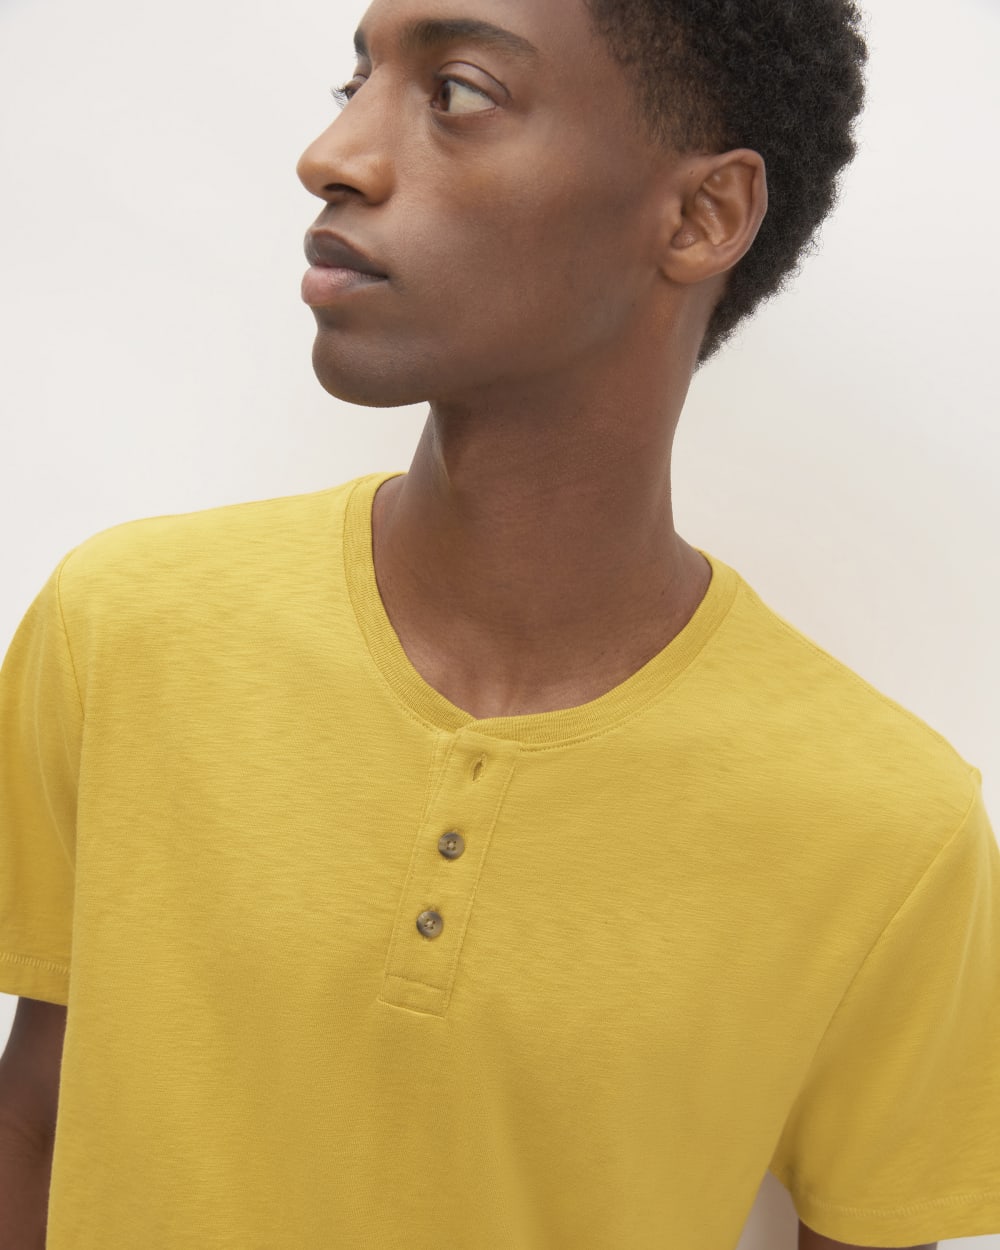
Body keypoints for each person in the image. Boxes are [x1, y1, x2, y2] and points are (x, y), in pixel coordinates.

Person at [0, 1, 997, 1248]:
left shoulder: (888, 832)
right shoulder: (123, 630)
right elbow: (33, 1118)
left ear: (702, 215)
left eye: (457, 93)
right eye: (354, 81)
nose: (332, 154)